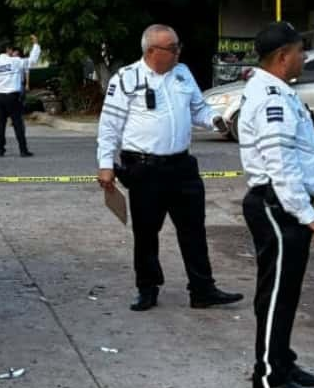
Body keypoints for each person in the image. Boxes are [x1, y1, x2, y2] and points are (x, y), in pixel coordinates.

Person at [96, 24, 243, 311]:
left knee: (194, 230)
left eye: (177, 47)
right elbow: (109, 125)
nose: (178, 52)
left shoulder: (182, 73)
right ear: (152, 51)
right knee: (147, 232)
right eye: (172, 48)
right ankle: (147, 288)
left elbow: (198, 109)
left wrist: (214, 119)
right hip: (144, 168)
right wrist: (105, 165)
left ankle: (202, 289)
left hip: (182, 166)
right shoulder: (126, 79)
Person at [238, 22, 314, 388]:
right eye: (299, 51)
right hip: (278, 207)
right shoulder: (272, 99)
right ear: (282, 57)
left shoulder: (278, 92)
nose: (304, 57)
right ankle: (269, 377)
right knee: (277, 293)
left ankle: (281, 359)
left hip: (283, 206)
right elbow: (281, 166)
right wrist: (308, 214)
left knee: (286, 291)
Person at [0, 44, 33, 157]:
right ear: (8, 50)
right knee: (18, 123)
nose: (13, 51)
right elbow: (31, 61)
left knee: (1, 123)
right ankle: (23, 150)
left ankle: (0, 150)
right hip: (12, 97)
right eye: (12, 49)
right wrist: (36, 46)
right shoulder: (15, 61)